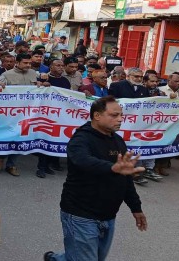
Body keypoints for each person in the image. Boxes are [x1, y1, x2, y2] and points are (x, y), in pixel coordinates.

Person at [43, 96, 147, 261]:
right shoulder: (81, 139)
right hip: (80, 216)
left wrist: (136, 208)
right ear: (97, 116)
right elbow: (82, 160)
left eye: (121, 115)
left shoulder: (118, 140)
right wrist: (112, 167)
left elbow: (125, 179)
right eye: (114, 115)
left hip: (108, 216)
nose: (120, 119)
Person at [36, 58, 71, 178]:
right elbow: (36, 90)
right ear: (51, 67)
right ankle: (41, 167)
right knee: (44, 140)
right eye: (58, 65)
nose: (61, 67)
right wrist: (42, 85)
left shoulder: (65, 81)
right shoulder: (44, 78)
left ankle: (49, 165)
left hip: (59, 114)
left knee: (54, 139)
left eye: (62, 65)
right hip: (45, 114)